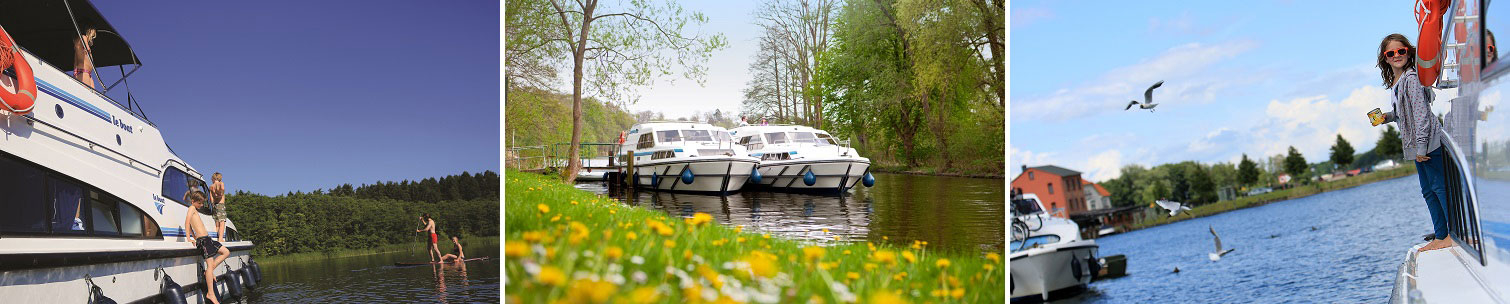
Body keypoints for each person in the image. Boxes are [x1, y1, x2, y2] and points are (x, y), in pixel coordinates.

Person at [1374, 33, 1452, 252]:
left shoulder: (1411, 78)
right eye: (1391, 53)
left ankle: (1452, 234)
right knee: (1428, 191)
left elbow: (1421, 115)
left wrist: (1421, 147)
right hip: (1418, 145)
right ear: (1385, 58)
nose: (1397, 55)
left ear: (1408, 52)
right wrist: (1387, 117)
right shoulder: (1397, 82)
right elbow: (1405, 113)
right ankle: (1441, 235)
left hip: (1428, 143)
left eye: (1401, 51)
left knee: (1439, 188)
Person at [183, 191, 228, 304]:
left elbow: (193, 226)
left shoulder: (195, 209)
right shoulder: (191, 208)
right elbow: (187, 223)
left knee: (226, 252)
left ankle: (209, 271)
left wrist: (194, 235)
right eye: (200, 203)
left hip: (208, 239)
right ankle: (210, 294)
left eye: (202, 203)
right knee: (210, 266)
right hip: (203, 241)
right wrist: (189, 238)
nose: (201, 205)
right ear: (193, 201)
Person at [210, 172, 229, 242]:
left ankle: (217, 237)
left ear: (213, 178)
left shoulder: (211, 186)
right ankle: (220, 238)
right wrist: (220, 194)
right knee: (222, 222)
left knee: (217, 223)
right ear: (220, 178)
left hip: (215, 205)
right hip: (220, 205)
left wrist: (213, 204)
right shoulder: (221, 183)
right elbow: (222, 189)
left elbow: (211, 198)